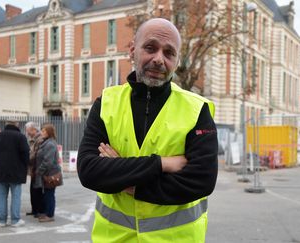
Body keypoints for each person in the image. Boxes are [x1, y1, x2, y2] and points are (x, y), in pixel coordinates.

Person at [77, 18, 218, 242]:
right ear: (133, 50)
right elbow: (89, 171)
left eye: (169, 53)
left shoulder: (197, 110)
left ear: (177, 60)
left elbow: (200, 181)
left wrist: (128, 183)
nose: (159, 59)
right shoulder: (106, 103)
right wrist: (162, 163)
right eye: (150, 48)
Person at [0, 120, 29, 227]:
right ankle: (15, 220)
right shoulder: (20, 137)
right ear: (16, 125)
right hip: (16, 172)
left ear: (6, 125)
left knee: (2, 196)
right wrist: (24, 166)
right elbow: (26, 154)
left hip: (1, 171)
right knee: (16, 196)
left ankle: (2, 220)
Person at [34, 123, 61, 223]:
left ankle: (50, 215)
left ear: (49, 132)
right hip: (48, 173)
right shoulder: (47, 142)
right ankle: (47, 213)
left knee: (49, 194)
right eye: (42, 130)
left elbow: (48, 161)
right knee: (48, 194)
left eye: (44, 131)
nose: (42, 132)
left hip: (51, 174)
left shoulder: (50, 144)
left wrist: (39, 171)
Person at [25, 121, 43, 218]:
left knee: (37, 190)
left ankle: (38, 210)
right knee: (33, 190)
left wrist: (26, 158)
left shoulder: (39, 139)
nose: (27, 133)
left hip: (37, 168)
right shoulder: (32, 139)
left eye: (28, 131)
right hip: (33, 168)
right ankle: (34, 210)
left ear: (34, 130)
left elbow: (35, 154)